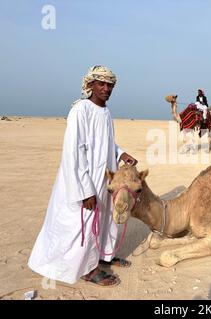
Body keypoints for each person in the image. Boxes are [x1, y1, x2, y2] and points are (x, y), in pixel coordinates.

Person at [28, 66, 137, 287]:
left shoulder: (105, 112)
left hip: (103, 178)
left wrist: (121, 153)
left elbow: (106, 143)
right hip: (82, 180)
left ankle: (104, 256)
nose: (106, 88)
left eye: (110, 85)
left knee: (104, 218)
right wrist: (85, 191)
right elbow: (73, 153)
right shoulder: (81, 110)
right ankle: (88, 269)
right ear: (91, 85)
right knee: (84, 222)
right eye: (101, 84)